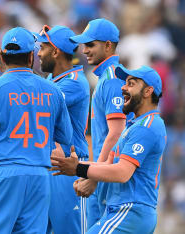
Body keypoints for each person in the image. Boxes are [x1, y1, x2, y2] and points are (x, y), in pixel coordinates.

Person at [0, 27, 73, 233]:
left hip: (0, 173)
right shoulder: (53, 90)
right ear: (30, 58)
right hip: (39, 176)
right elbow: (66, 137)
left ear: (3, 57)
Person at [51, 66, 166, 234]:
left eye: (131, 84)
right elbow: (108, 164)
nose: (123, 87)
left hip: (130, 211)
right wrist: (74, 166)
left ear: (148, 91)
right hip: (126, 211)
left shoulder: (146, 127)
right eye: (125, 83)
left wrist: (78, 168)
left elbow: (122, 173)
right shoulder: (134, 125)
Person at [70, 18, 129, 229]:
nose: (84, 50)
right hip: (105, 173)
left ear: (108, 45)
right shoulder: (105, 78)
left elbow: (117, 132)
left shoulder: (113, 80)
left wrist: (92, 175)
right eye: (84, 45)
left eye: (91, 44)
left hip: (110, 180)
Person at [36, 25, 90, 234]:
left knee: (70, 230)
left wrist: (11, 75)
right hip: (50, 164)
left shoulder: (75, 83)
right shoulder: (51, 80)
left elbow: (38, 103)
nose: (38, 54)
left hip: (69, 167)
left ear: (56, 51)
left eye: (42, 48)